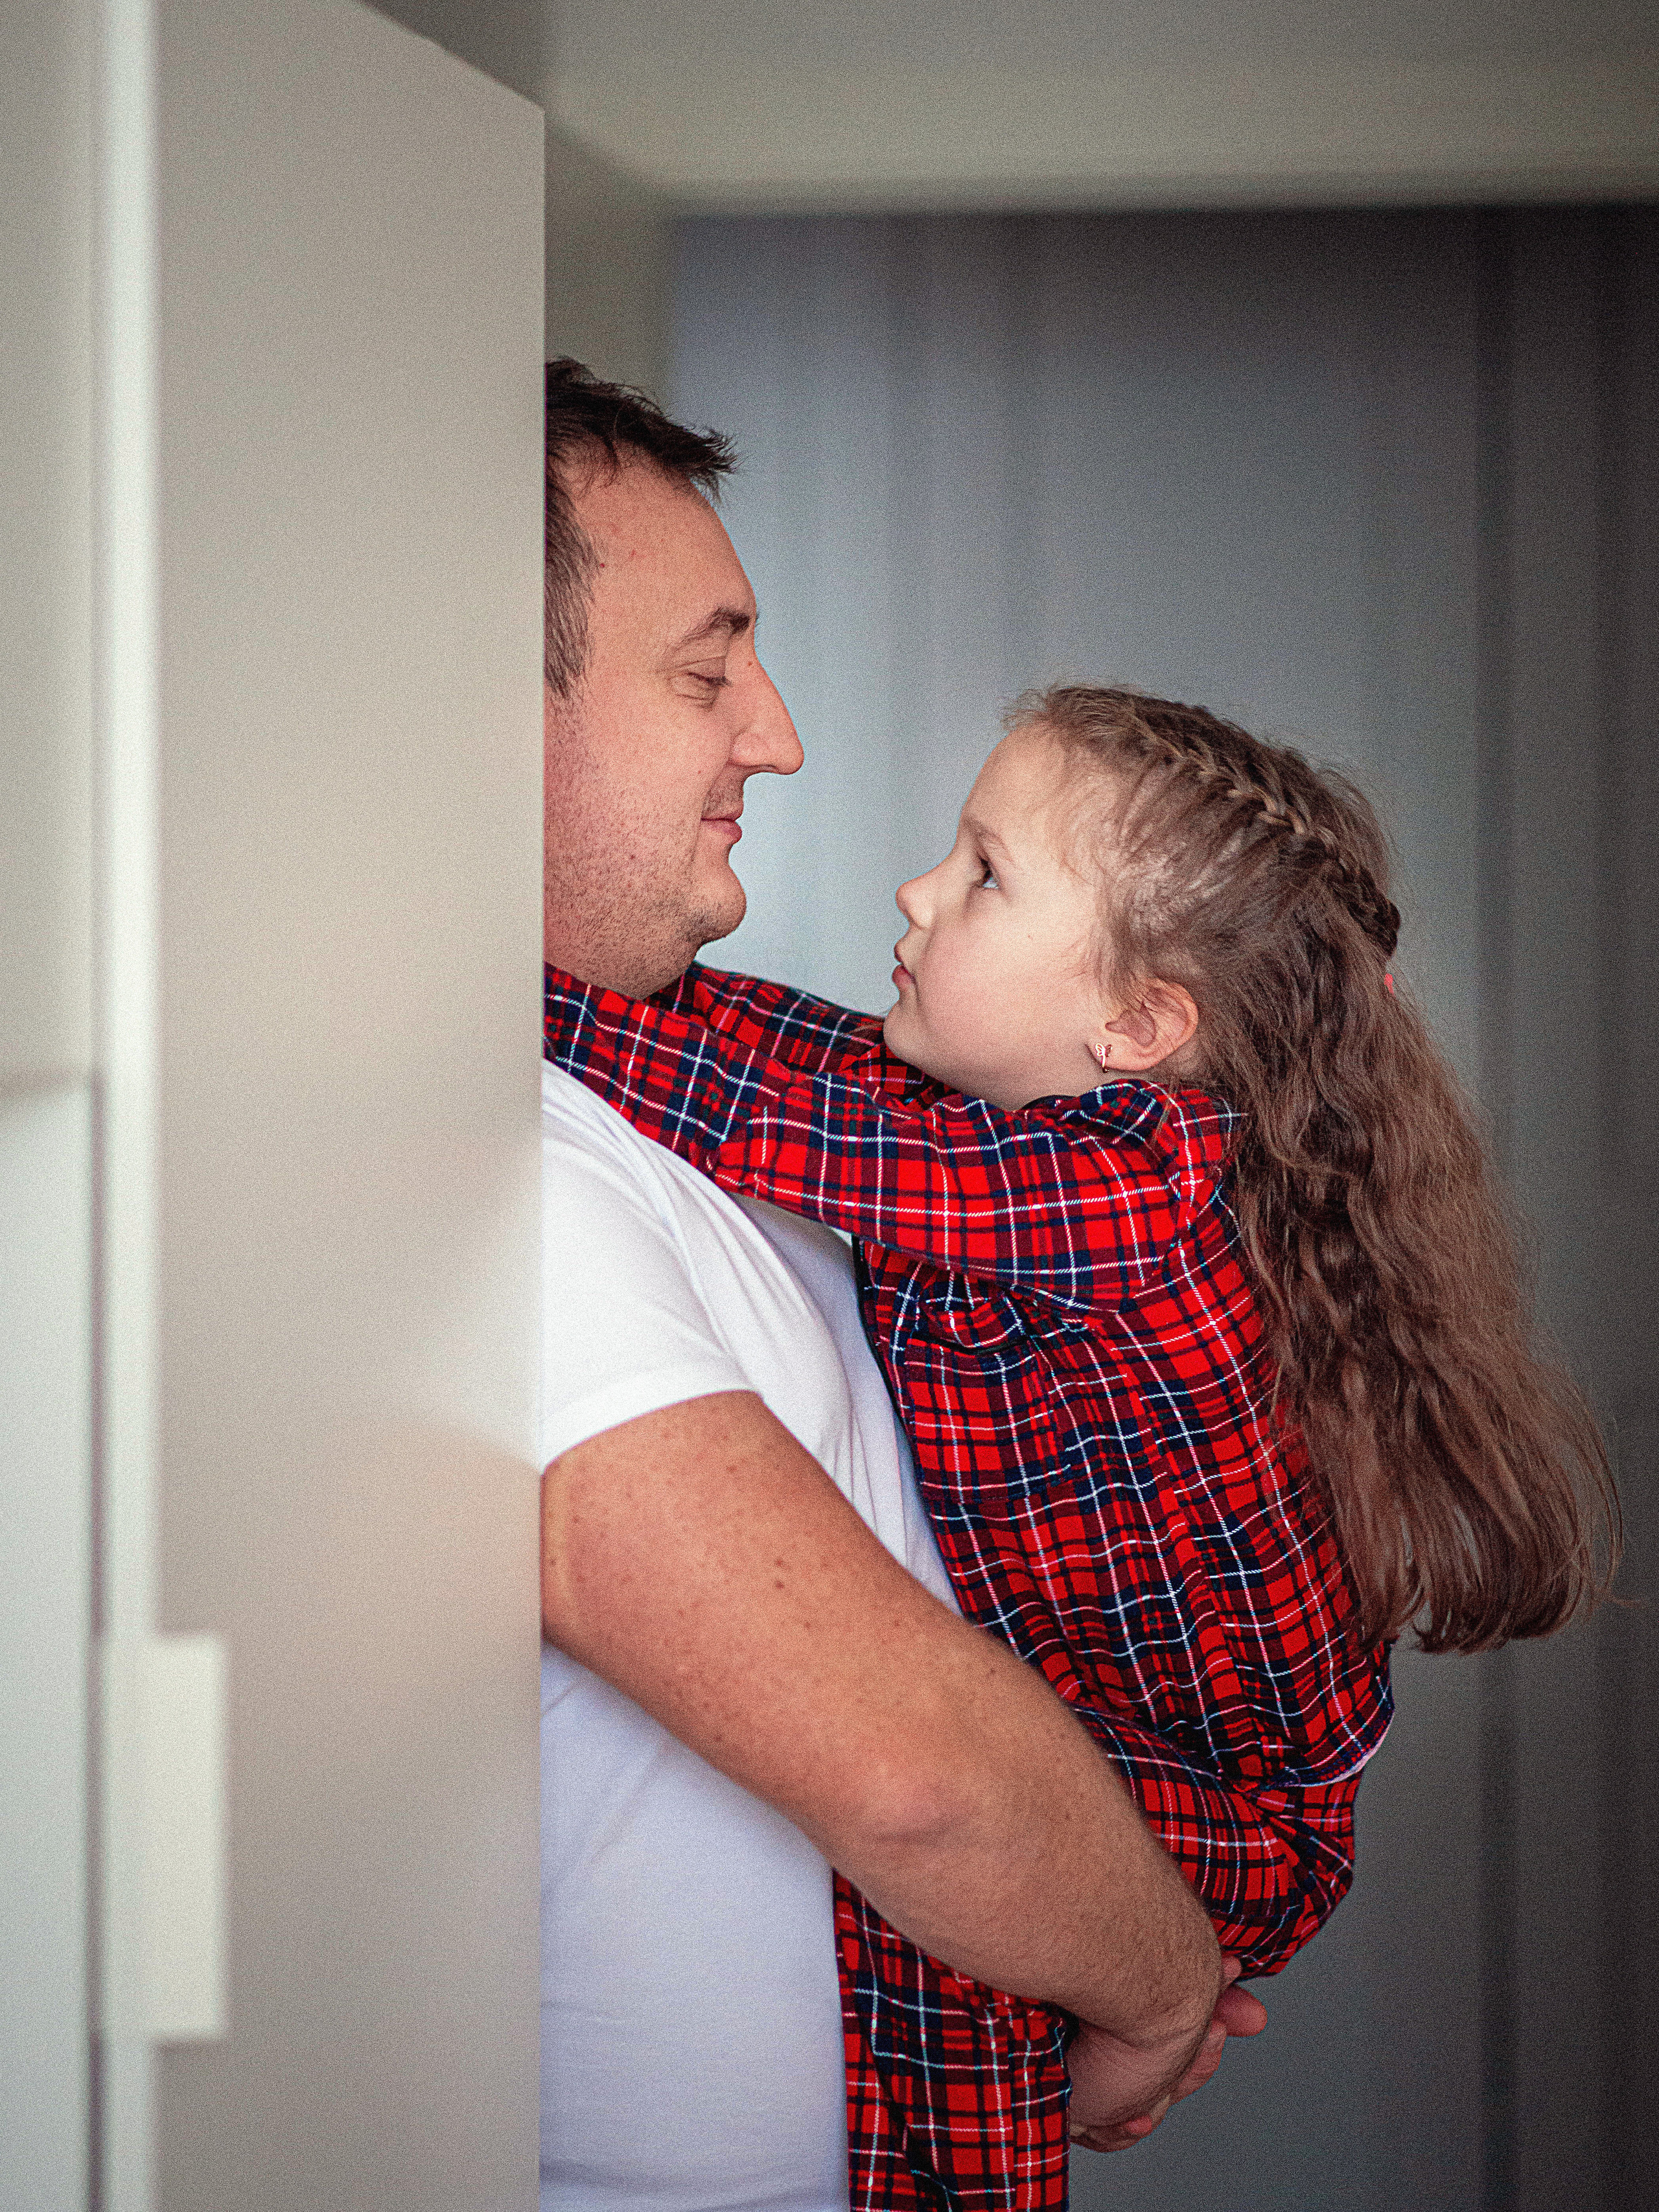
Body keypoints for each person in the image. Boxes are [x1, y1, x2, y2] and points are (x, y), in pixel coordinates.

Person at [546, 684, 1619, 2202]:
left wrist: (475, 985)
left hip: (1227, 1798)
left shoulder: (1121, 1200)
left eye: (984, 874)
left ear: (1135, 1026)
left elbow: (755, 1117)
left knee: (937, 1935)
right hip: (1134, 1738)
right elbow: (765, 1047)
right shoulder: (1004, 1126)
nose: (918, 891)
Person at [537, 364, 1264, 2212]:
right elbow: (917, 1771)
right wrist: (1161, 1977)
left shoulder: (712, 1111)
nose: (774, 740)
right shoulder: (495, 1169)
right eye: (708, 672)